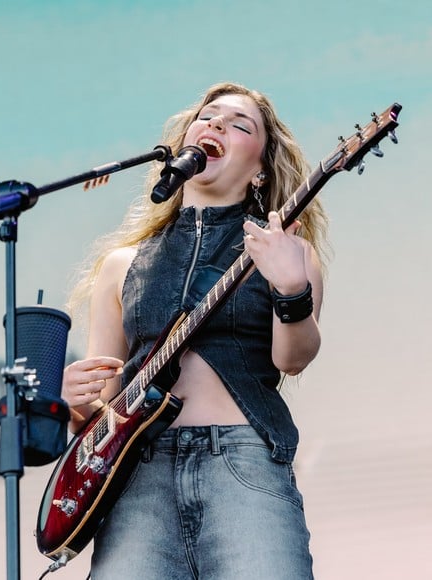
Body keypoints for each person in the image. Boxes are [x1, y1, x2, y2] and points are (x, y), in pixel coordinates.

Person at [61, 81, 328, 580]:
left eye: (240, 124)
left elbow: (294, 357)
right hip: (138, 475)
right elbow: (106, 404)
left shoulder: (285, 251)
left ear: (261, 168)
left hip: (243, 463)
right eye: (207, 117)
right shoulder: (122, 266)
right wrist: (79, 402)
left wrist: (290, 286)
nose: (217, 124)